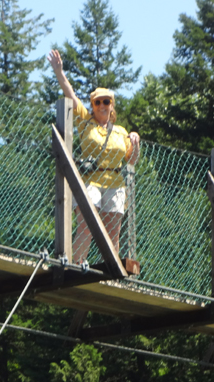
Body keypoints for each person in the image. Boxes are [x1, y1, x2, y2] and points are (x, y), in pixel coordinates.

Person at [48, 49, 140, 264]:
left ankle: (111, 271)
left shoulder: (121, 132)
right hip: (90, 181)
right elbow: (70, 94)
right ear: (92, 105)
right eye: (97, 102)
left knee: (112, 233)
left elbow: (132, 161)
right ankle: (77, 265)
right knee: (86, 227)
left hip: (116, 184)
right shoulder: (85, 122)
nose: (102, 106)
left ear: (112, 106)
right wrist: (59, 72)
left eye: (106, 102)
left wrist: (135, 141)